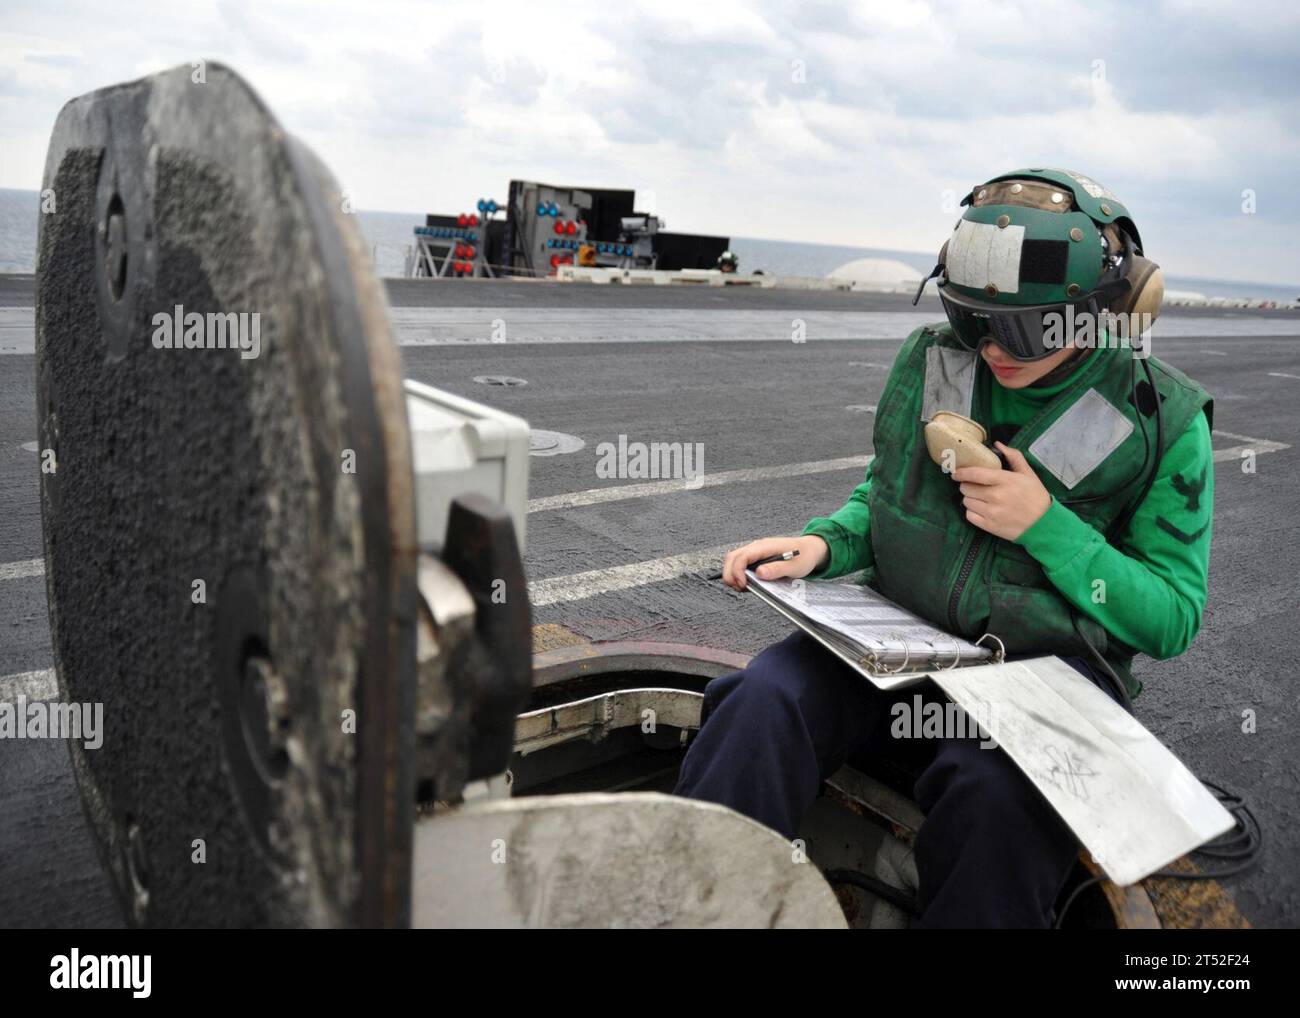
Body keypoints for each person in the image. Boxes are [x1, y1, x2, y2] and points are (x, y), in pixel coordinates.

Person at [674, 168, 1215, 928]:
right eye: (973, 321)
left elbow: (1172, 617)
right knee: (759, 705)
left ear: (1104, 312)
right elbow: (884, 493)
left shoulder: (1163, 420)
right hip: (899, 650)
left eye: (1023, 330)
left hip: (1034, 687)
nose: (993, 350)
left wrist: (1046, 527)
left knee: (995, 807)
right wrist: (826, 544)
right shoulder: (935, 361)